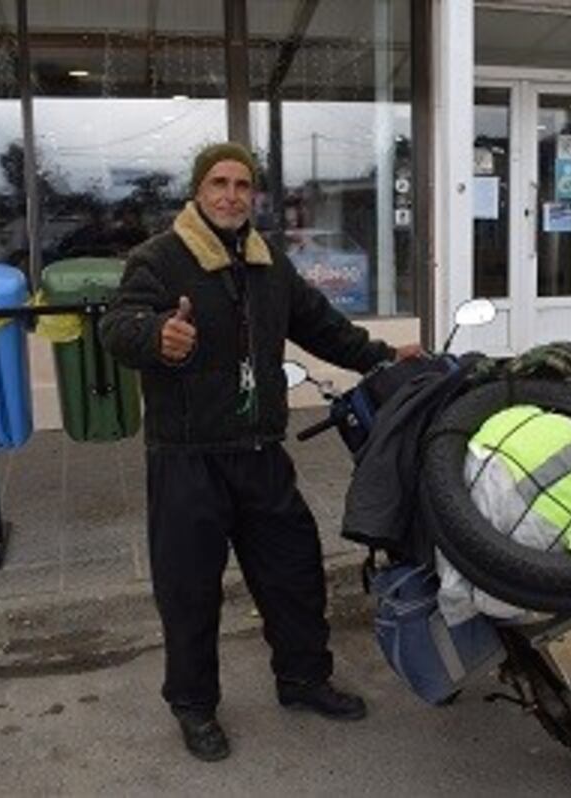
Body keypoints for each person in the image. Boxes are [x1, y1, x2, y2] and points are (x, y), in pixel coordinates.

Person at [100, 142, 422, 763]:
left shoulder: (267, 259)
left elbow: (321, 325)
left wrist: (381, 355)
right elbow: (117, 326)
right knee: (189, 591)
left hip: (260, 452)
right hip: (187, 458)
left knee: (294, 574)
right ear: (198, 191)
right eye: (218, 183)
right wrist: (155, 335)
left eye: (242, 185)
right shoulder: (159, 259)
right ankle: (193, 706)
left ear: (254, 195)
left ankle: (303, 680)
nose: (230, 195)